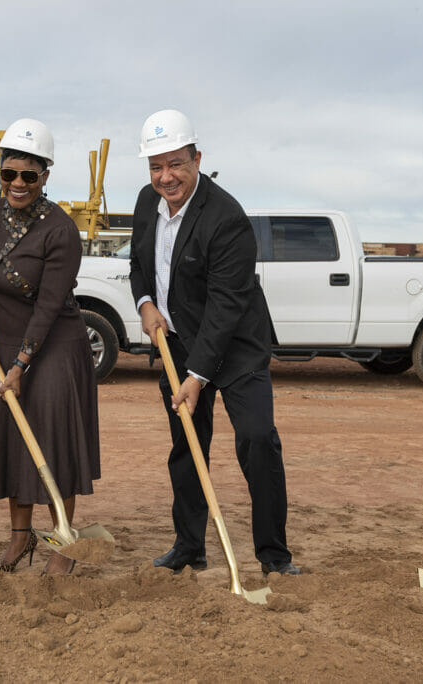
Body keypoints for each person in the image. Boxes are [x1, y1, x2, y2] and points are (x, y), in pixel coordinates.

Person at [128, 109, 300, 576]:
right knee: (187, 447)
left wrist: (196, 377)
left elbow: (225, 308)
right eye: (155, 166)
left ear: (197, 158)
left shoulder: (226, 219)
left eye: (176, 164)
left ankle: (274, 556)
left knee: (258, 439)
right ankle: (189, 547)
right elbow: (139, 264)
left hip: (238, 347)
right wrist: (145, 303)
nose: (166, 177)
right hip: (177, 344)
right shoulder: (147, 203)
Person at [0, 118, 100, 576]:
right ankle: (20, 541)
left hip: (55, 346)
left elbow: (47, 306)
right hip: (1, 344)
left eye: (29, 175)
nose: (17, 184)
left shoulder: (60, 231)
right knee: (14, 443)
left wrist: (21, 364)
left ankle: (63, 543)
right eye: (9, 174)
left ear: (45, 177)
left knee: (53, 445)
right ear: (0, 173)